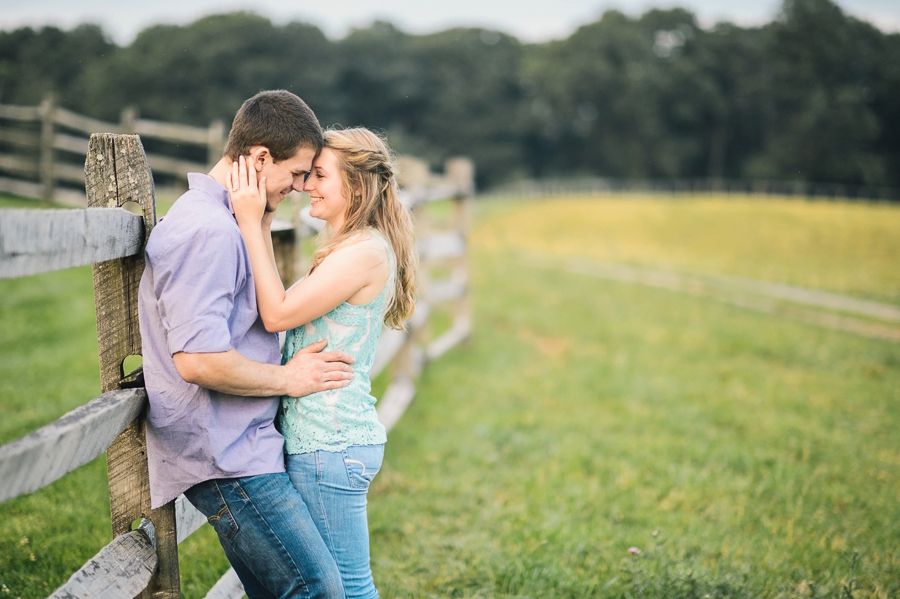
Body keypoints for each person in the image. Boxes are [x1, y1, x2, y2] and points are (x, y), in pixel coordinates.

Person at [138, 90, 353, 599]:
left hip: (243, 444)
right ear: (259, 158)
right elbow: (198, 360)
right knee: (317, 589)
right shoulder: (208, 231)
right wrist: (290, 379)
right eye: (298, 173)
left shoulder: (232, 220)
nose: (301, 187)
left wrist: (255, 218)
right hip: (226, 457)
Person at [229, 127, 418, 599]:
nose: (306, 184)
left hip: (328, 446)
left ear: (354, 187)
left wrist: (252, 222)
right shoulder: (350, 248)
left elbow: (275, 315)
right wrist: (265, 219)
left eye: (318, 175)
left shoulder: (364, 253)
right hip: (326, 444)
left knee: (348, 589)